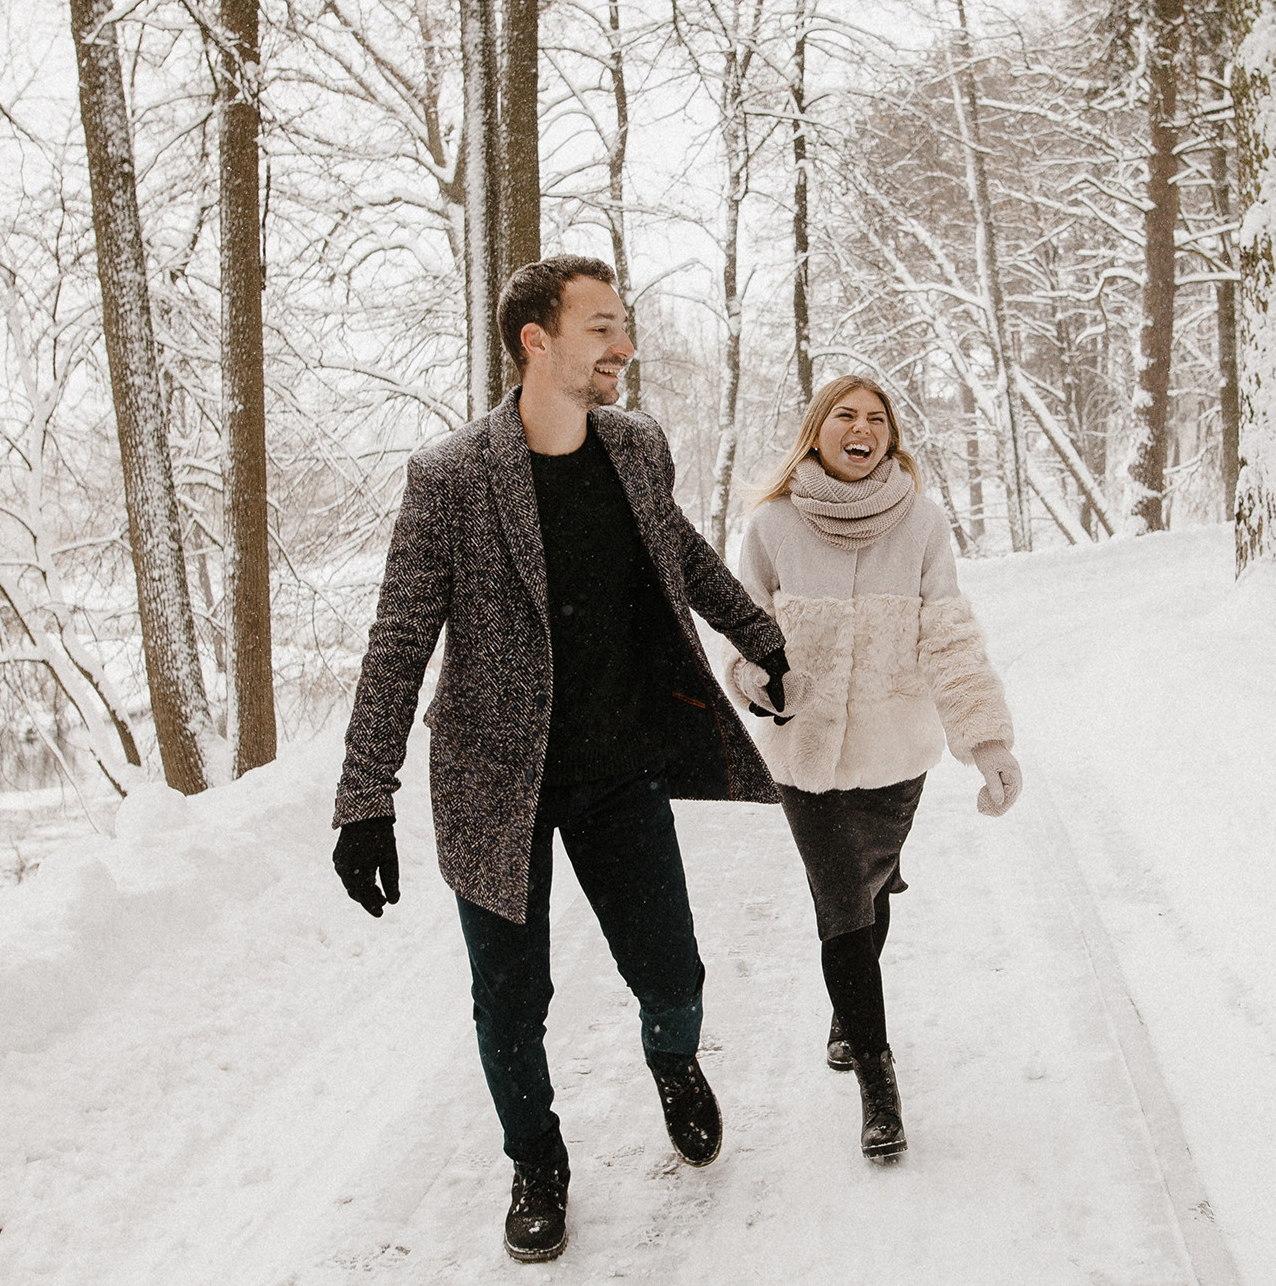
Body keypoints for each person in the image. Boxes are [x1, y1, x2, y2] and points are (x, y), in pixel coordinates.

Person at [330, 256, 799, 1264]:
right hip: (494, 783)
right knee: (511, 997)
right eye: (600, 328)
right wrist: (364, 797)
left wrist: (756, 633)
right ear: (535, 341)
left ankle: (673, 1063)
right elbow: (399, 639)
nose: (622, 347)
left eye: (621, 325)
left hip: (620, 763)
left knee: (671, 971)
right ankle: (536, 1161)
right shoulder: (451, 478)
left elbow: (678, 549)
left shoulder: (635, 447)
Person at [721, 374, 1022, 1162]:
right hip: (805, 755)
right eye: (845, 416)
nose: (862, 429)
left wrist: (986, 742)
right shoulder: (773, 526)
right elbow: (743, 640)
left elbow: (950, 640)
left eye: (877, 419)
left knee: (871, 887)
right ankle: (877, 1079)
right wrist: (763, 683)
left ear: (892, 436)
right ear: (817, 431)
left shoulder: (921, 524)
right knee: (841, 906)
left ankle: (847, 1016)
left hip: (896, 752)